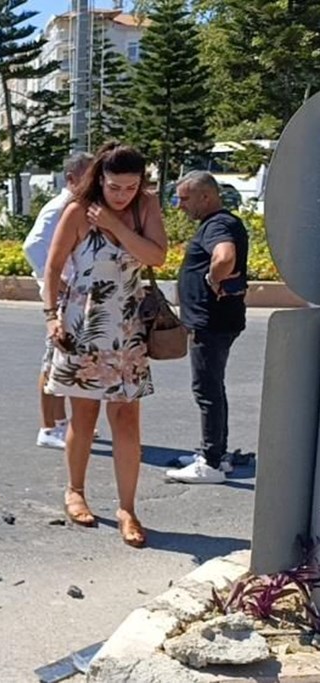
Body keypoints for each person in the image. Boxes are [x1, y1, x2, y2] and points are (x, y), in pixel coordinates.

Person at [43, 142, 169, 548]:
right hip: (85, 322)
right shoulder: (78, 211)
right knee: (84, 415)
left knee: (127, 419)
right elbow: (54, 265)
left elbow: (157, 256)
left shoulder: (144, 207)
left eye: (130, 187)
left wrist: (116, 226)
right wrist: (51, 315)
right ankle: (75, 491)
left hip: (128, 326)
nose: (122, 195)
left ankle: (127, 508)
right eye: (115, 187)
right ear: (100, 178)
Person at [165, 171, 249, 485]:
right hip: (217, 321)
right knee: (214, 387)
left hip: (211, 323)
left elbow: (224, 257)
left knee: (207, 390)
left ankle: (211, 463)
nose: (179, 206)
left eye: (185, 198)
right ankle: (216, 453)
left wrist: (213, 279)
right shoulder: (220, 223)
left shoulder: (218, 224)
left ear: (206, 197)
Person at [24, 152, 94, 449]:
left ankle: (61, 422)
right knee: (52, 361)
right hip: (61, 297)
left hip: (71, 295)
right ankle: (48, 426)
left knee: (63, 358)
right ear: (72, 179)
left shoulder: (76, 206)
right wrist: (57, 281)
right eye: (90, 176)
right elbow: (33, 247)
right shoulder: (58, 208)